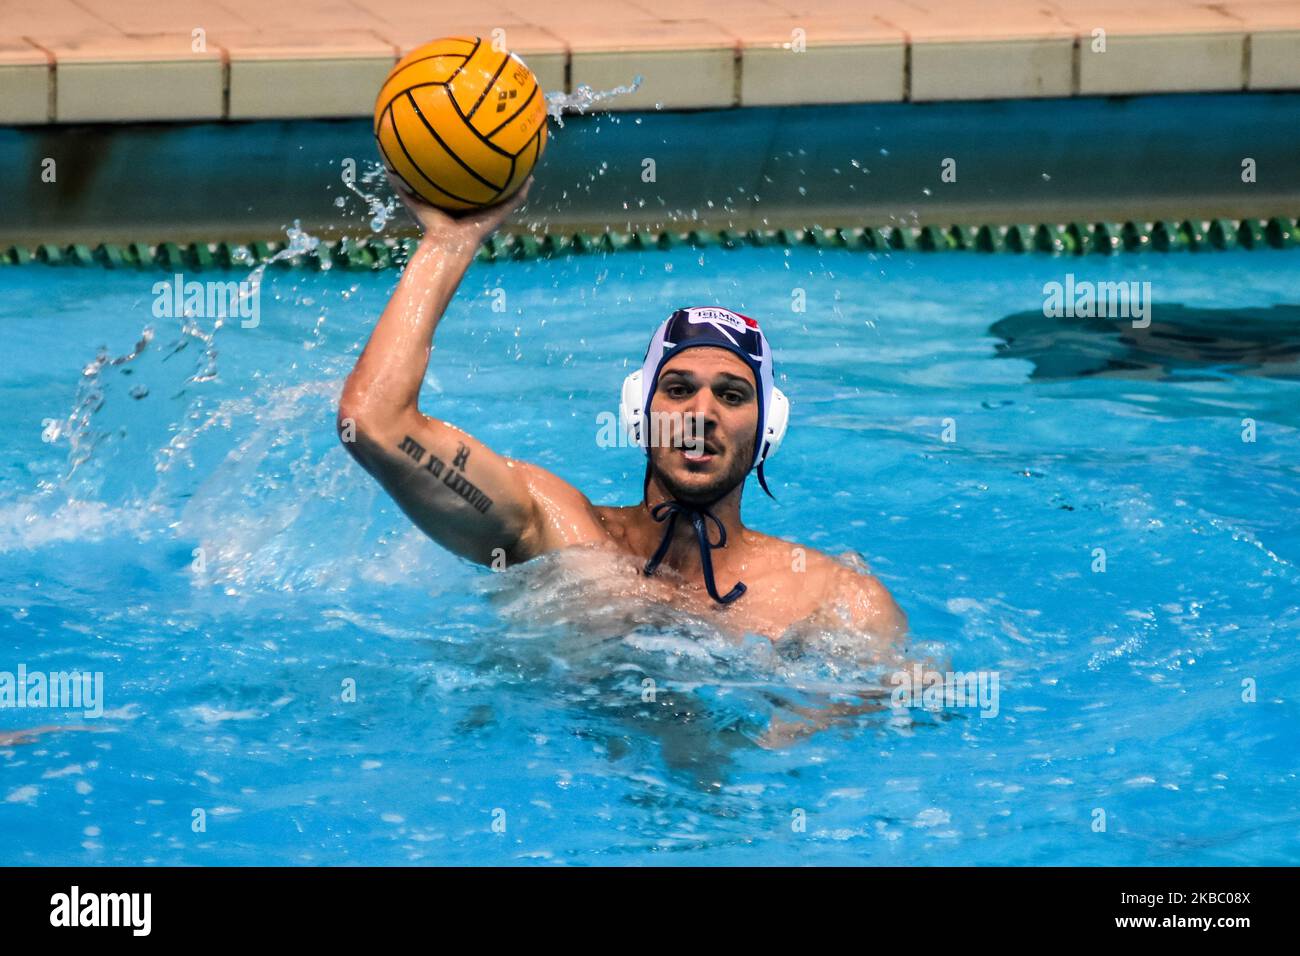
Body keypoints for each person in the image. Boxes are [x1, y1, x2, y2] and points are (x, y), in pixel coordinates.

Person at [339, 177, 907, 649]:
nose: (701, 412)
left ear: (768, 431)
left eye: (732, 396)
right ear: (639, 411)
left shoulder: (834, 599)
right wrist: (449, 243)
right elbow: (376, 423)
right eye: (679, 389)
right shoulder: (551, 529)